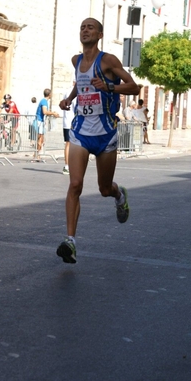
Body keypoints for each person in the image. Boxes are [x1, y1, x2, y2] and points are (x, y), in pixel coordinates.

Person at [56, 18, 140, 264]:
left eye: (90, 27)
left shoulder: (108, 60)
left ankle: (118, 194)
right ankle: (70, 241)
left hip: (105, 132)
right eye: (82, 26)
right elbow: (80, 85)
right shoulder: (76, 61)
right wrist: (68, 99)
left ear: (100, 34)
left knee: (104, 188)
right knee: (75, 184)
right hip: (81, 130)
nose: (85, 30)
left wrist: (109, 88)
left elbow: (134, 87)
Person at [35, 88, 59, 158]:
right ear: (49, 94)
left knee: (41, 139)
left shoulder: (43, 101)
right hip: (40, 121)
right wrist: (53, 113)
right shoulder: (44, 101)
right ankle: (37, 155)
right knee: (40, 139)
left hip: (41, 121)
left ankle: (37, 154)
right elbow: (45, 112)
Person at [62, 80, 76, 175]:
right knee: (74, 145)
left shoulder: (66, 91)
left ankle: (67, 165)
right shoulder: (75, 92)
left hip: (66, 121)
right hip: (74, 121)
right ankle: (71, 166)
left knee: (68, 144)